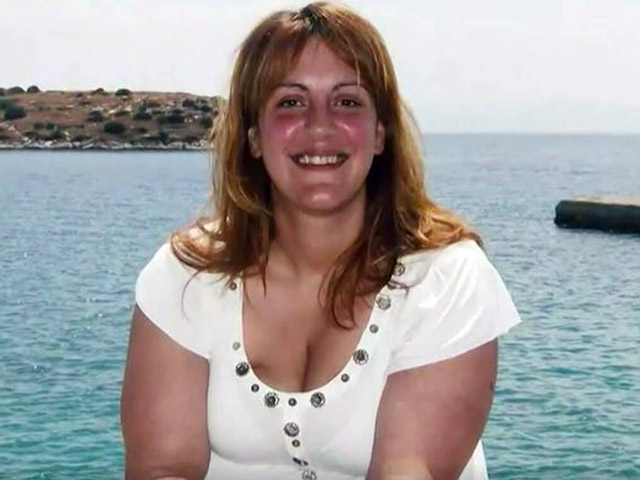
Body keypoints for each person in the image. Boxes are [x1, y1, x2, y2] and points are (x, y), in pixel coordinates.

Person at [120, 2, 521, 479]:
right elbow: (161, 468)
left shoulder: (446, 280)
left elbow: (407, 469)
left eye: (347, 102)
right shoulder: (186, 276)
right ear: (253, 137)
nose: (319, 126)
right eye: (290, 102)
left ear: (380, 133)